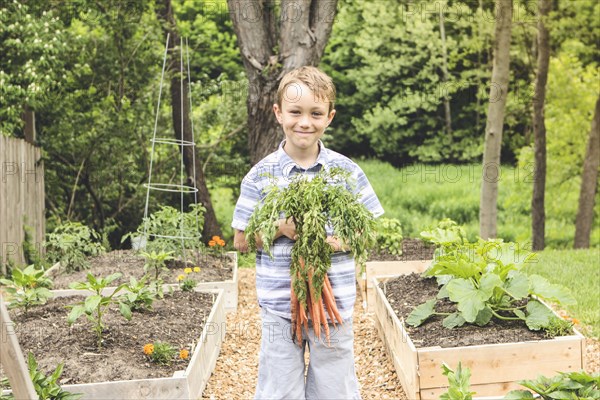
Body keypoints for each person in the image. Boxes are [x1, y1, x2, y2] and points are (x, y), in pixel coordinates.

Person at [232, 66, 384, 400]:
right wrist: (280, 228)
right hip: (279, 306)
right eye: (295, 112)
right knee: (279, 389)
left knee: (335, 387)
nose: (305, 122)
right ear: (278, 113)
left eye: (316, 113)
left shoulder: (346, 172)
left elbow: (369, 232)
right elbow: (241, 240)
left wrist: (333, 244)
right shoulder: (260, 176)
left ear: (329, 117)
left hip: (334, 306)